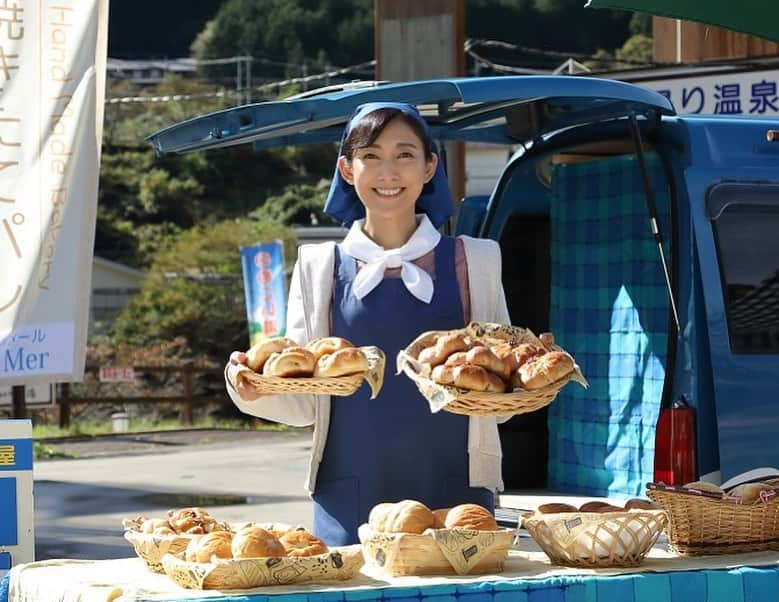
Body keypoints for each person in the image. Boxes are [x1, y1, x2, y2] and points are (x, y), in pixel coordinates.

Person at [225, 101, 519, 546]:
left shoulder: (475, 260)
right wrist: (254, 392)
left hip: (455, 493)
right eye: (371, 156)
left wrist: (525, 384)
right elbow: (307, 400)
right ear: (347, 169)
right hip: (348, 494)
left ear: (429, 167)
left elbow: (503, 382)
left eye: (404, 155)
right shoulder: (317, 266)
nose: (388, 172)